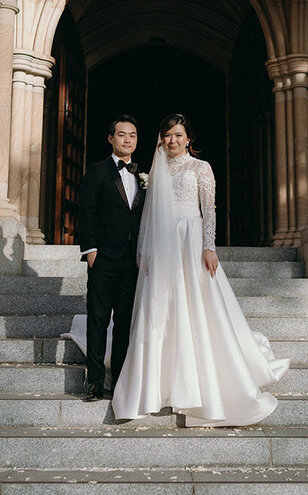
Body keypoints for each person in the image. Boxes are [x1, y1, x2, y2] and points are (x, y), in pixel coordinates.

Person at [110, 113, 289, 427]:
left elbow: (210, 211)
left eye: (179, 135)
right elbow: (149, 217)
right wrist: (145, 251)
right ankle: (158, 386)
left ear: (188, 138)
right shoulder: (158, 170)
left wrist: (209, 246)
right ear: (161, 139)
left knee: (197, 306)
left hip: (192, 242)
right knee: (163, 309)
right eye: (168, 135)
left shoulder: (201, 168)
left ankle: (200, 382)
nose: (173, 141)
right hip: (164, 245)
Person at [74, 115, 144, 402]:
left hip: (132, 261)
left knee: (125, 322)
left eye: (132, 135)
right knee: (98, 320)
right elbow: (86, 211)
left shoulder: (144, 174)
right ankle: (94, 382)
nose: (127, 140)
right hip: (103, 258)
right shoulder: (97, 171)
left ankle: (118, 383)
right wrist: (90, 250)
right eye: (122, 135)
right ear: (111, 138)